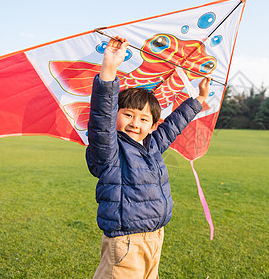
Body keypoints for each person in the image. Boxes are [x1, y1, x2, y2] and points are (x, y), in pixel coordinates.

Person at [86, 36, 211, 278]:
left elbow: (175, 124)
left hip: (155, 236)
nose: (135, 123)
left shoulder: (152, 144)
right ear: (116, 116)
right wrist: (110, 68)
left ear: (153, 125)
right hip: (126, 243)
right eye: (128, 115)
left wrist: (199, 100)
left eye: (143, 119)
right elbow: (101, 116)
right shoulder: (109, 150)